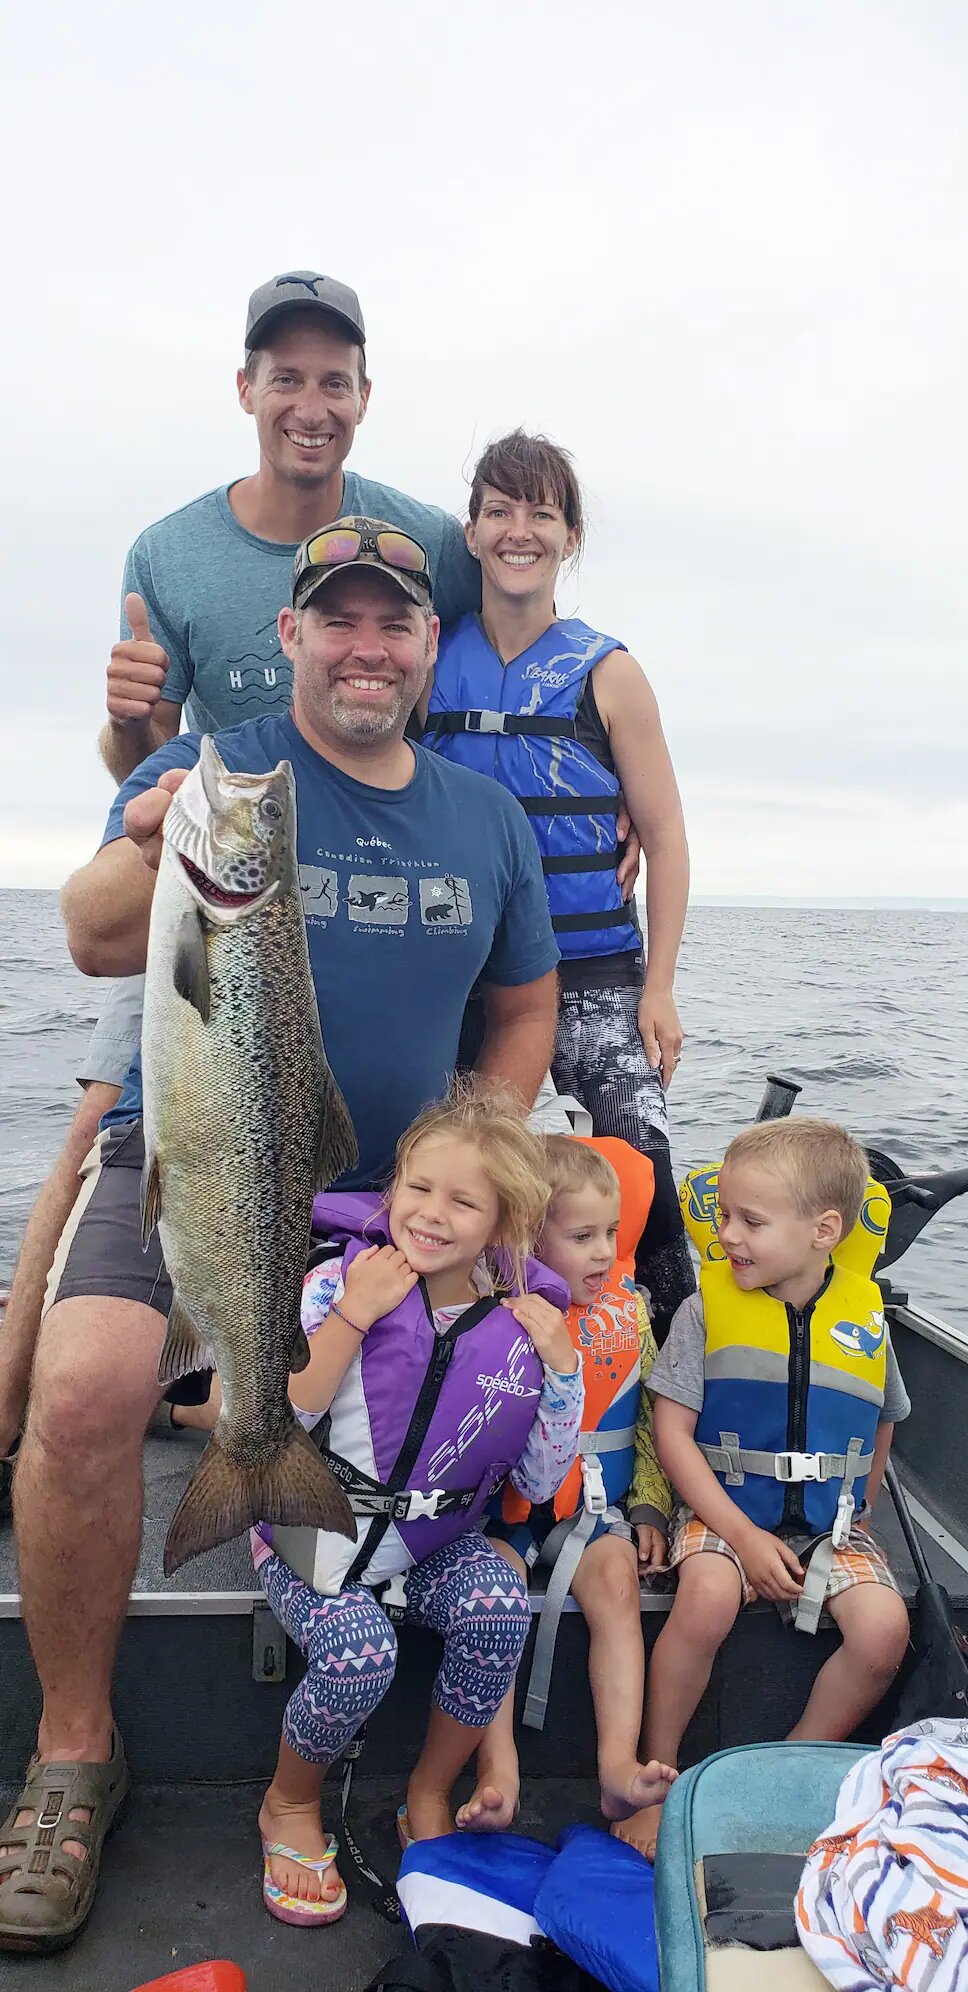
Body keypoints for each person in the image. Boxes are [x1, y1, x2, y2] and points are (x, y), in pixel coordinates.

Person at [0, 525, 560, 1955]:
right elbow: (86, 934)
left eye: (396, 625)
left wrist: (481, 1178)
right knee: (76, 1396)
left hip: (408, 1193)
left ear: (431, 647)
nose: (367, 646)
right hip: (195, 1157)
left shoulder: (485, 818)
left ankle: (293, 1497)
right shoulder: (216, 770)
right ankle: (75, 1752)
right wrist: (143, 842)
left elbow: (521, 1010)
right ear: (296, 636)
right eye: (339, 622)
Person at [0, 267, 484, 1490]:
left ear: (364, 396)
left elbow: (469, 645)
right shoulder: (168, 547)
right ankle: (30, 1403)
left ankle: (232, 1404)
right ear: (247, 390)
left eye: (333, 379)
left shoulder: (421, 534)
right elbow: (141, 751)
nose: (309, 401)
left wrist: (578, 771)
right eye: (286, 378)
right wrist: (131, 751)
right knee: (100, 1141)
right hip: (213, 865)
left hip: (353, 871)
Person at [253, 1085, 584, 1924]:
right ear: (393, 1186)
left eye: (463, 1202)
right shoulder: (336, 1284)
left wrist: (564, 1375)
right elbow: (278, 1419)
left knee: (499, 1608)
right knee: (360, 1653)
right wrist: (354, 1319)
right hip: (310, 1537)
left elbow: (540, 1483)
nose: (431, 1215)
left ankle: (427, 1794)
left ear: (502, 1223)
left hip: (429, 1545)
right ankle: (290, 1803)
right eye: (418, 1188)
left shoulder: (521, 1322)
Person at [422, 430, 694, 1342]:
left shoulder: (610, 672)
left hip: (596, 973)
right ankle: (464, 1356)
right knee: (456, 1182)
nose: (520, 530)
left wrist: (659, 988)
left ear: (570, 536)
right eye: (499, 510)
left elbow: (664, 836)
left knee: (642, 1170)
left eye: (542, 512)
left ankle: (660, 1369)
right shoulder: (424, 661)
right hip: (467, 980)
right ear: (471, 531)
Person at [630, 1117, 912, 1862]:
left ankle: (780, 1770)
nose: (727, 1235)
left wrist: (862, 1512)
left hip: (832, 1526)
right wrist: (746, 1537)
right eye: (724, 1215)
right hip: (725, 1512)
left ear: (824, 1230)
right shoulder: (703, 1310)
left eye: (750, 1221)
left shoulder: (866, 1317)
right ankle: (658, 1777)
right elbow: (672, 1435)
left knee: (884, 1631)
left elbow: (883, 1421)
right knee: (709, 1597)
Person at [465, 1133, 677, 1840]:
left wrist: (648, 1502)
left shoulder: (630, 1313)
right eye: (582, 1235)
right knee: (493, 1585)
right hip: (505, 1516)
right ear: (528, 1235)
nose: (601, 1252)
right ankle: (498, 1765)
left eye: (611, 1234)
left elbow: (646, 1417)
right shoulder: (498, 1312)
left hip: (595, 1508)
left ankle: (619, 1767)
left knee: (616, 1580)